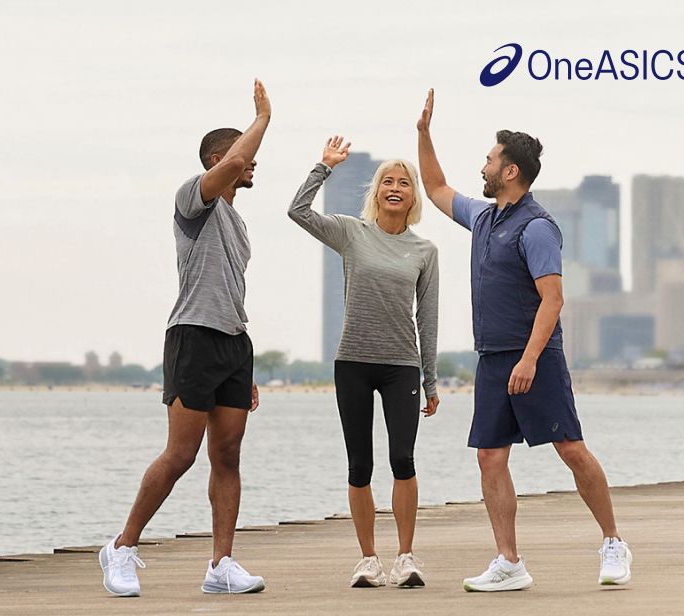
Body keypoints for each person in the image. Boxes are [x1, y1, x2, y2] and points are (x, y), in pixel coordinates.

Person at [415, 88, 633, 592]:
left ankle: (613, 542)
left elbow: (552, 301)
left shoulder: (537, 228)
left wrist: (531, 359)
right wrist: (424, 134)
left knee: (571, 449)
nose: (485, 165)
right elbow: (436, 186)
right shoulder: (484, 217)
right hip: (493, 358)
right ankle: (509, 561)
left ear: (510, 171)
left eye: (491, 159)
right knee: (490, 456)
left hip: (535, 357)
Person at [98, 80, 271, 597]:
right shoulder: (191, 201)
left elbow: (231, 292)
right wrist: (262, 119)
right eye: (241, 153)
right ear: (219, 159)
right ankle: (122, 547)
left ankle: (220, 565)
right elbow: (237, 164)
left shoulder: (238, 224)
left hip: (233, 344)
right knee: (181, 455)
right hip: (192, 337)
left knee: (228, 455)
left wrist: (248, 364)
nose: (251, 163)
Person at [287, 136, 439, 588]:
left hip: (401, 366)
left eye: (404, 183)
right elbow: (298, 211)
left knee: (403, 459)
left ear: (413, 196)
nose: (395, 187)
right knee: (359, 465)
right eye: (387, 181)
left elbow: (427, 318)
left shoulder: (424, 251)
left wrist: (430, 381)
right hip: (353, 361)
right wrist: (323, 167)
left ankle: (406, 557)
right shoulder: (352, 232)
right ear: (375, 192)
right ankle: (369, 559)